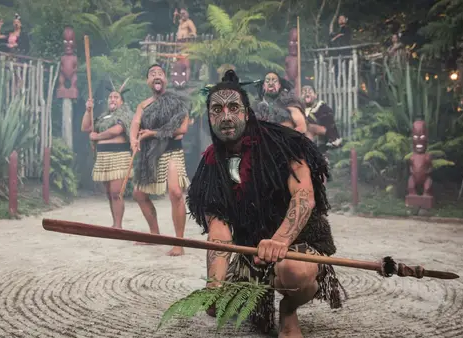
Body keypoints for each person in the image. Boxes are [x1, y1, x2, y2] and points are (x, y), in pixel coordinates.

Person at [187, 70, 345, 336]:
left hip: (297, 243)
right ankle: (241, 287)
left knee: (293, 271)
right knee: (216, 306)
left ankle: (288, 310)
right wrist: (214, 284)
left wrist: (281, 240)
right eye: (217, 109)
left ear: (247, 113)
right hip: (252, 251)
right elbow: (219, 230)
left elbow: (304, 195)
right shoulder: (211, 164)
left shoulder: (282, 143)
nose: (226, 116)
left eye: (234, 107)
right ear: (209, 117)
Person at [130, 64, 191, 256]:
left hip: (172, 151)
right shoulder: (144, 105)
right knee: (139, 194)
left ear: (165, 79)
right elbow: (135, 123)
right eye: (152, 74)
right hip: (151, 155)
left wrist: (152, 133)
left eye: (160, 73)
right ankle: (154, 234)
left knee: (175, 192)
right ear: (148, 81)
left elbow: (182, 129)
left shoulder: (177, 101)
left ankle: (178, 243)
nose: (156, 76)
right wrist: (133, 139)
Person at [81, 82, 134, 229]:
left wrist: (96, 137)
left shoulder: (125, 114)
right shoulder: (103, 117)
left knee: (116, 192)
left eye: (116, 97)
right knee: (109, 193)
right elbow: (86, 127)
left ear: (121, 101)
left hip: (119, 156)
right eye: (110, 97)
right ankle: (114, 223)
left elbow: (116, 131)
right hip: (103, 158)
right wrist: (88, 110)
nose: (112, 99)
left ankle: (118, 226)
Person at [302, 85, 342, 150]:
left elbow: (329, 124)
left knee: (309, 127)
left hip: (324, 137)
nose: (307, 94)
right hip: (306, 139)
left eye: (310, 92)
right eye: (304, 93)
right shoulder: (300, 109)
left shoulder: (322, 107)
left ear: (315, 95)